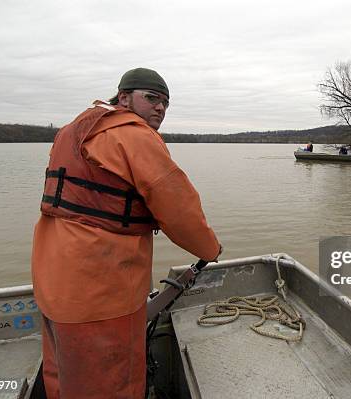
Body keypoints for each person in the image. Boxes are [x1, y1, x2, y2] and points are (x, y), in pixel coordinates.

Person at [31, 67, 222, 399]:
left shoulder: (71, 131)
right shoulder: (135, 136)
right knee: (112, 385)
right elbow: (179, 208)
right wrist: (209, 249)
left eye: (165, 103)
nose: (160, 108)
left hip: (51, 284)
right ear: (123, 97)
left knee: (63, 378)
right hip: (101, 293)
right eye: (151, 98)